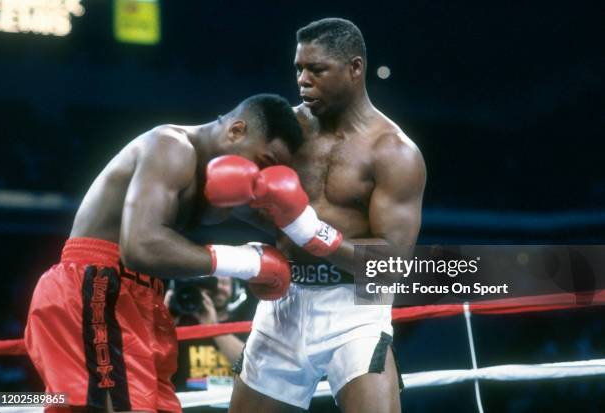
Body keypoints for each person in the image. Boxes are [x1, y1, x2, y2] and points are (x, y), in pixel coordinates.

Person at [23, 94, 303, 413]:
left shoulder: (231, 180)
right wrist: (248, 262)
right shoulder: (171, 147)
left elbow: (289, 232)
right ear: (237, 131)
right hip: (96, 287)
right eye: (264, 162)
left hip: (139, 295)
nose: (260, 175)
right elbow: (141, 246)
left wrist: (348, 255)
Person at [205, 18, 427, 412]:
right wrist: (251, 229)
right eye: (298, 69)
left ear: (355, 69)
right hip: (284, 301)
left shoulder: (393, 152)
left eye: (317, 69)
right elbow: (240, 204)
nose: (303, 80)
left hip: (354, 308)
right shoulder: (281, 131)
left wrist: (312, 233)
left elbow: (391, 263)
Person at [165, 276, 256, 391]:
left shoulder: (245, 322)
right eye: (210, 283)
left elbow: (251, 366)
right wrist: (164, 325)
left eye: (223, 282)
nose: (217, 287)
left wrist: (213, 327)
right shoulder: (180, 322)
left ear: (235, 289)